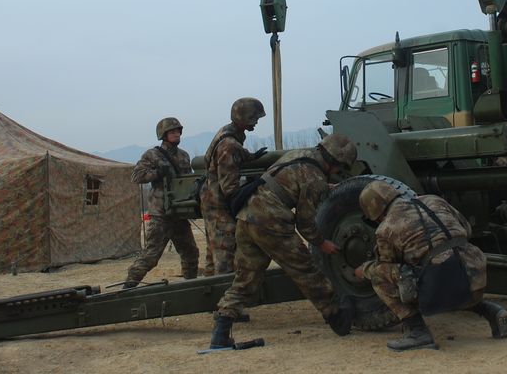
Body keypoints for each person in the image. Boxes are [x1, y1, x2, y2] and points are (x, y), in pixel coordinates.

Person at [208, 134, 357, 349]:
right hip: (271, 222)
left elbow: (291, 180)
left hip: (247, 216)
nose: (337, 172)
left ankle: (221, 331)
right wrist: (322, 242)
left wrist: (324, 186)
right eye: (339, 168)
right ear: (334, 162)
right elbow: (306, 223)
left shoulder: (299, 155)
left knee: (246, 278)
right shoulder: (315, 177)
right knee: (305, 269)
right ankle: (336, 317)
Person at [354, 180, 507, 352]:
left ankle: (417, 332)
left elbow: (388, 265)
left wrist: (365, 270)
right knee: (447, 268)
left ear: (375, 213)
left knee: (379, 273)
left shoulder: (385, 228)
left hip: (441, 288)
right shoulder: (434, 200)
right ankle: (492, 311)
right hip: (475, 277)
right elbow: (466, 228)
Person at [123, 117, 199, 288]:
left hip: (179, 213)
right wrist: (157, 172)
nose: (177, 134)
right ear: (163, 134)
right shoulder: (152, 155)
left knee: (191, 253)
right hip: (161, 215)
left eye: (178, 131)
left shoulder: (184, 156)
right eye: (172, 131)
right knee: (150, 257)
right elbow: (136, 177)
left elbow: (189, 181)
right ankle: (128, 287)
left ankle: (192, 287)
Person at [200, 97, 268, 276]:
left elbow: (235, 153)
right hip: (218, 205)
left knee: (212, 253)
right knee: (225, 253)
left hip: (212, 201)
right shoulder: (228, 145)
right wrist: (254, 184)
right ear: (245, 118)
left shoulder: (227, 134)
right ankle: (224, 293)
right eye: (255, 118)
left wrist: (251, 157)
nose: (257, 123)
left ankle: (209, 293)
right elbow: (230, 189)